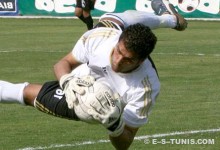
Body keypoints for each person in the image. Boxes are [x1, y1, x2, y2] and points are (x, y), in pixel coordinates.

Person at [0, 0, 187, 149]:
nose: (117, 61)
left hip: (93, 104)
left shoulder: (146, 87)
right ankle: (170, 19)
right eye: (118, 52)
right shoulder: (102, 37)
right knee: (114, 18)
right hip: (80, 81)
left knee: (28, 94)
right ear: (117, 39)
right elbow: (62, 64)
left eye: (127, 60)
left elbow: (126, 142)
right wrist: (67, 82)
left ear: (141, 61)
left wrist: (115, 126)